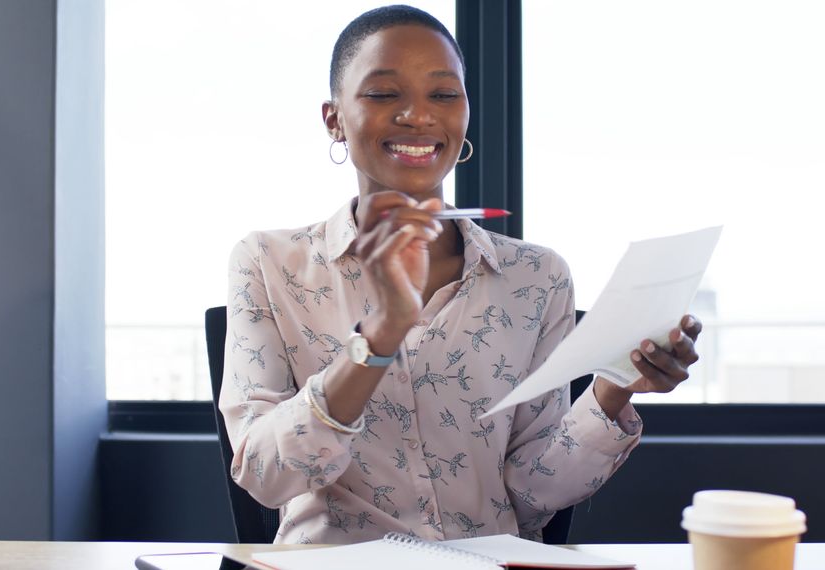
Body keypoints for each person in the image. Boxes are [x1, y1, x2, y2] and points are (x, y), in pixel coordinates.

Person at [221, 5, 701, 545]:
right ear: (334, 118)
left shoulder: (536, 278)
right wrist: (379, 337)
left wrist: (611, 390)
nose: (418, 116)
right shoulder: (268, 263)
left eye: (443, 95)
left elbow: (529, 494)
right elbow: (263, 474)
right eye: (383, 94)